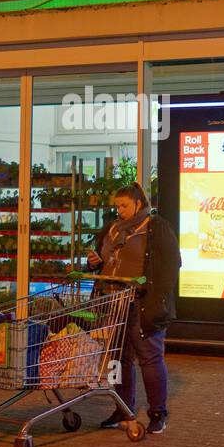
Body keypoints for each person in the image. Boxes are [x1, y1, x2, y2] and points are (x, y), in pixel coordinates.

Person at [87, 183, 180, 434]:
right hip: (114, 303)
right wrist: (94, 261)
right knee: (119, 359)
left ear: (139, 203)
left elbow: (172, 264)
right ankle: (122, 408)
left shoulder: (156, 227)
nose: (120, 211)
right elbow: (102, 257)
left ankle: (157, 413)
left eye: (124, 205)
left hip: (142, 304)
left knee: (149, 359)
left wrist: (156, 298)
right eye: (117, 206)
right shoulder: (113, 229)